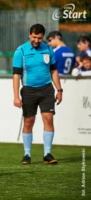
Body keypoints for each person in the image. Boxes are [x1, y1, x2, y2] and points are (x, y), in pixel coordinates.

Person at [13, 24, 63, 165]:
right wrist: (16, 96)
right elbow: (16, 75)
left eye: (39, 38)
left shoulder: (48, 49)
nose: (36, 40)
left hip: (47, 89)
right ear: (29, 35)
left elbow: (54, 71)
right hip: (29, 91)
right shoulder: (20, 51)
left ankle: (47, 153)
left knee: (48, 119)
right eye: (34, 37)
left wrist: (59, 90)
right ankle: (27, 154)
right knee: (29, 122)